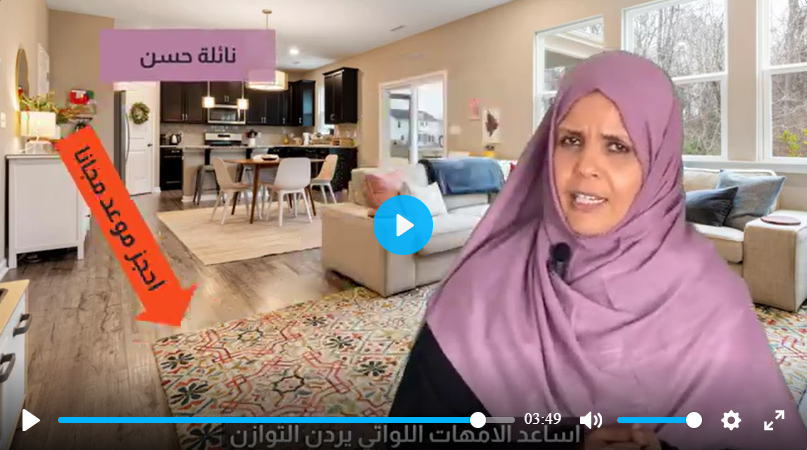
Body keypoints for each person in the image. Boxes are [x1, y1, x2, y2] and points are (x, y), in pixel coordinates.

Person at [389, 51, 807, 450]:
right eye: (571, 139)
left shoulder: (714, 304)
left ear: (657, 167)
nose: (586, 166)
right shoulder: (482, 287)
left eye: (617, 146)